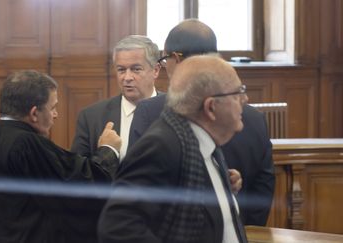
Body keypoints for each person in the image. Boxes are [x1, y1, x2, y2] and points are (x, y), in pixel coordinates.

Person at [128, 19, 275, 226]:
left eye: (164, 58)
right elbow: (263, 187)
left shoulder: (150, 112)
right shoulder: (255, 119)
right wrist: (245, 231)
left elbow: (137, 189)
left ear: (176, 58)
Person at [0, 70, 121, 243]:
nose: (56, 114)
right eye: (52, 107)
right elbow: (81, 186)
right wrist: (108, 149)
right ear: (34, 113)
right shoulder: (26, 144)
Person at [99, 55, 249, 243]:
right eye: (237, 93)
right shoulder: (161, 146)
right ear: (211, 107)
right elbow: (118, 227)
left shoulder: (204, 141)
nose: (245, 99)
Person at [71, 35, 161, 160]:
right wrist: (106, 151)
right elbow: (79, 174)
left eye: (136, 69)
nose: (127, 77)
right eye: (121, 70)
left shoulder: (175, 111)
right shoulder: (91, 118)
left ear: (156, 70)